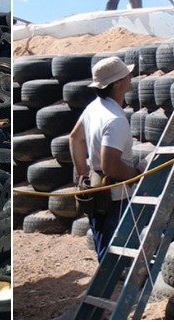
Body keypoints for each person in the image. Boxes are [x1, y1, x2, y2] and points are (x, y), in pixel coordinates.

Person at [69, 56, 142, 262]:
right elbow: (111, 165)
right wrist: (135, 174)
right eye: (126, 75)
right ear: (117, 83)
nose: (130, 77)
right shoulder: (115, 120)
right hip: (114, 195)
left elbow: (75, 138)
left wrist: (82, 173)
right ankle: (108, 290)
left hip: (96, 188)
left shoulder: (94, 107)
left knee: (103, 241)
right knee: (113, 252)